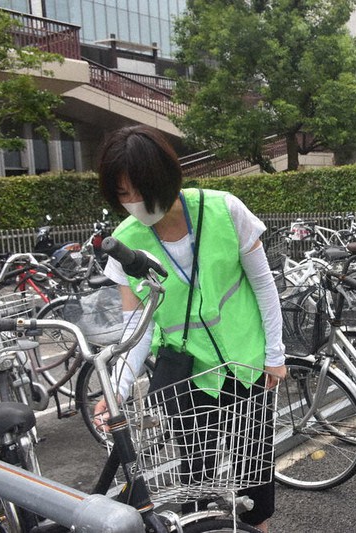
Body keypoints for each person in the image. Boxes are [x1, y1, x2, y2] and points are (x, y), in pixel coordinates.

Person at [93, 124, 286, 532]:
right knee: (195, 475)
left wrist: (275, 356)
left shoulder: (225, 210)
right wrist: (118, 388)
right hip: (189, 371)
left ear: (165, 177)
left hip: (246, 360)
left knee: (255, 469)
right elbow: (136, 326)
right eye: (122, 194)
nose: (134, 203)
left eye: (140, 190)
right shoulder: (126, 242)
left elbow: (265, 288)